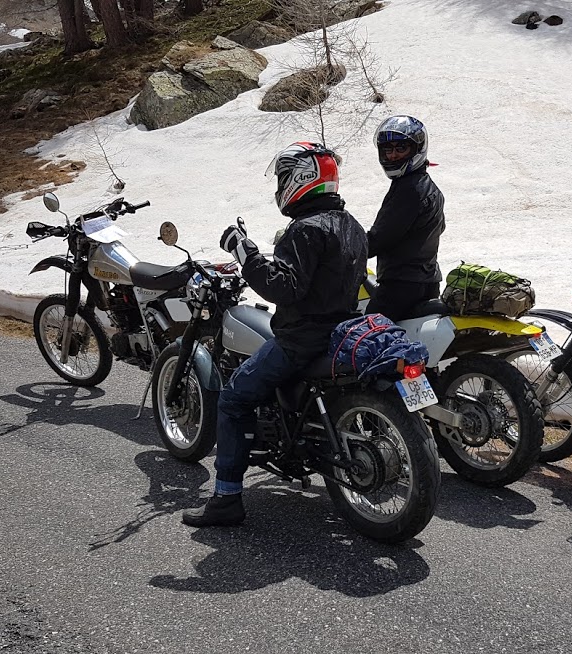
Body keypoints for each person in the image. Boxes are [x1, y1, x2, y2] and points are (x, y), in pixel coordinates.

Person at [182, 142, 368, 528]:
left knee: (233, 400)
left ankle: (226, 499)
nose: (280, 186)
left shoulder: (305, 229)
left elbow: (282, 288)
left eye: (284, 178)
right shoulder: (352, 226)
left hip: (301, 339)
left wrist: (245, 252)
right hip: (342, 332)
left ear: (303, 178)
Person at [364, 115, 446, 321]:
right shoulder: (427, 186)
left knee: (365, 334)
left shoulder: (409, 190)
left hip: (401, 286)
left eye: (401, 148)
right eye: (387, 149)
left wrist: (345, 247)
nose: (393, 155)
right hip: (426, 281)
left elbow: (380, 238)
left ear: (417, 149)